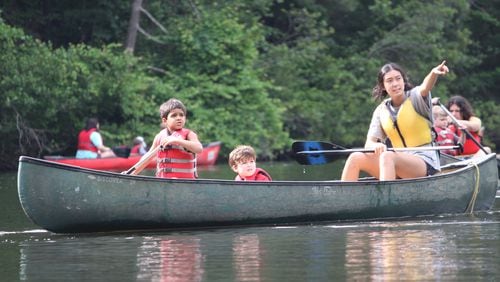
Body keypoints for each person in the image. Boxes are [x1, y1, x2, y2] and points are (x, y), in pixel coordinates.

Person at [341, 61, 449, 181]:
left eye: (398, 79)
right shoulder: (381, 110)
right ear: (383, 86)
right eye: (389, 81)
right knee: (355, 157)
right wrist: (376, 145)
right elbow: (369, 144)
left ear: (404, 80)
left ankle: (386, 199)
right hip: (394, 162)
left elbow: (425, 86)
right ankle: (344, 199)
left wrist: (434, 73)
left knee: (387, 156)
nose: (395, 84)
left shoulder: (416, 97)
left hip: (425, 161)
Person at [128, 98, 203, 178]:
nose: (179, 118)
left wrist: (178, 140)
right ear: (165, 120)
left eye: (181, 115)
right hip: (163, 183)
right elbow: (147, 158)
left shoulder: (189, 134)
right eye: (174, 115)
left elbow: (199, 149)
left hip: (185, 184)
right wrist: (132, 173)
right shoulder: (159, 137)